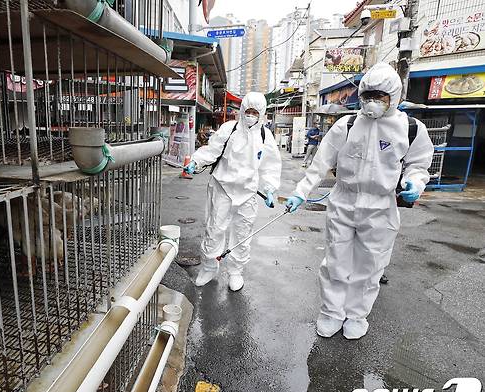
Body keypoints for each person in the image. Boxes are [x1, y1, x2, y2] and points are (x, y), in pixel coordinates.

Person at [285, 63, 434, 339]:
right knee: (335, 262)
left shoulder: (410, 128)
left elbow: (419, 164)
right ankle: (331, 313)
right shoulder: (347, 124)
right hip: (343, 201)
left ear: (394, 97)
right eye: (369, 96)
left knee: (370, 266)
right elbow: (321, 163)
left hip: (381, 205)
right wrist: (300, 191)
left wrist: (415, 182)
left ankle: (356, 316)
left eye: (381, 97)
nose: (373, 102)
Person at [184, 92, 282, 291]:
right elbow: (212, 150)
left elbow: (270, 166)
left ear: (261, 113)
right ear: (243, 109)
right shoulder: (229, 129)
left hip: (248, 193)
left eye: (255, 112)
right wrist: (196, 161)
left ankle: (236, 272)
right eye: (248, 111)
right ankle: (209, 267)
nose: (251, 115)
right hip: (222, 187)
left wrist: (269, 189)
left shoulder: (265, 136)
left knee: (242, 233)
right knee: (214, 229)